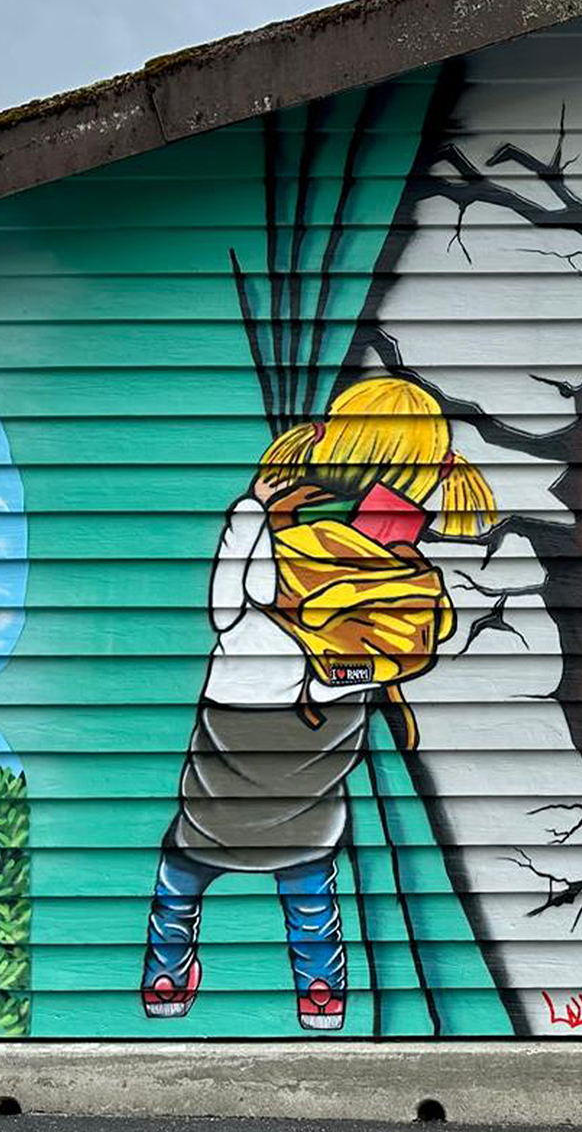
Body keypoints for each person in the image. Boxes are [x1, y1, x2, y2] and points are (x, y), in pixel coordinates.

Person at [139, 376, 498, 1029]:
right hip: (320, 752)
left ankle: (166, 976)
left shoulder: (289, 550)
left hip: (232, 743)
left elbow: (227, 608)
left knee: (184, 868)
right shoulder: (405, 581)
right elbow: (415, 645)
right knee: (309, 879)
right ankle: (323, 996)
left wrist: (253, 512)